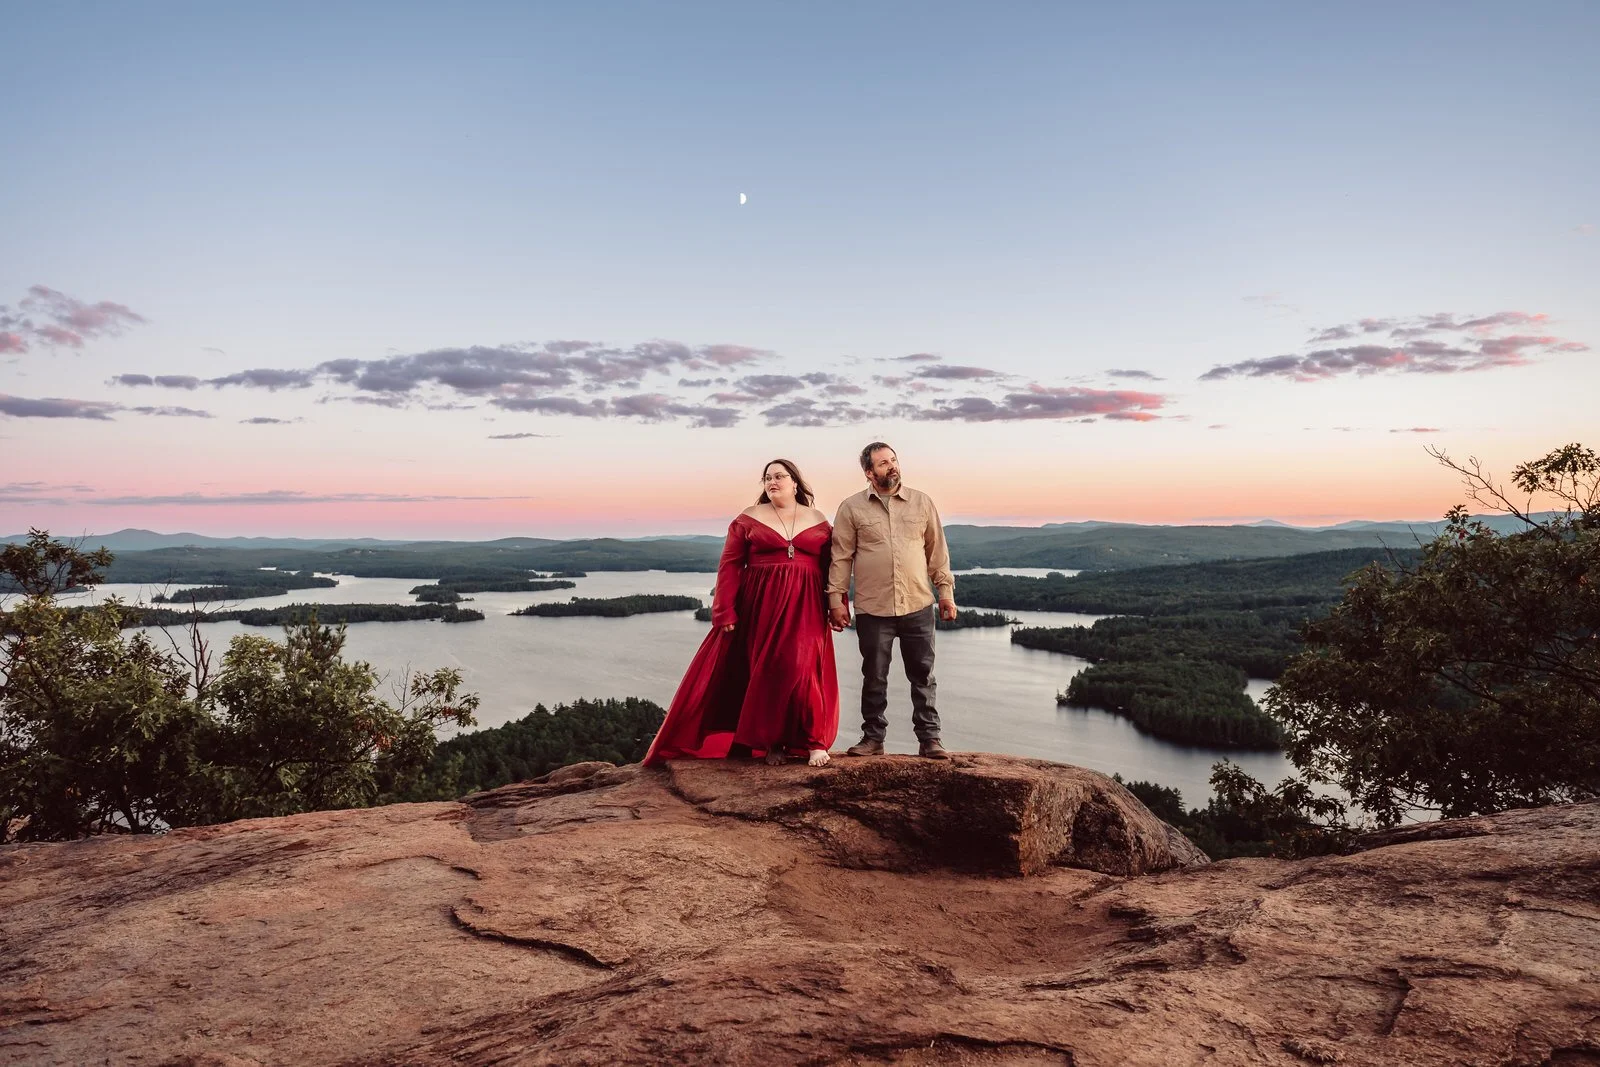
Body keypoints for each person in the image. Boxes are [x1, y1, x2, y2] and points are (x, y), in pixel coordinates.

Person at [643, 459, 840, 768]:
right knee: (769, 668)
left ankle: (814, 741)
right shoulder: (749, 518)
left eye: (779, 476)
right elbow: (730, 565)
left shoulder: (817, 519)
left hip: (808, 603)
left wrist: (837, 604)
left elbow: (832, 566)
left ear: (795, 482)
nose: (772, 482)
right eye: (767, 478)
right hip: (761, 604)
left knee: (803, 667)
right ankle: (772, 741)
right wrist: (724, 611)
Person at [827, 442, 957, 759]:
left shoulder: (922, 502)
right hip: (873, 607)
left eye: (894, 460)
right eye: (883, 463)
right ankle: (873, 738)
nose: (892, 466)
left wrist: (945, 593)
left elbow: (937, 553)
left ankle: (930, 739)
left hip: (917, 604)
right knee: (874, 676)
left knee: (923, 675)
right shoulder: (851, 508)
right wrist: (835, 600)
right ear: (869, 472)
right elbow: (841, 557)